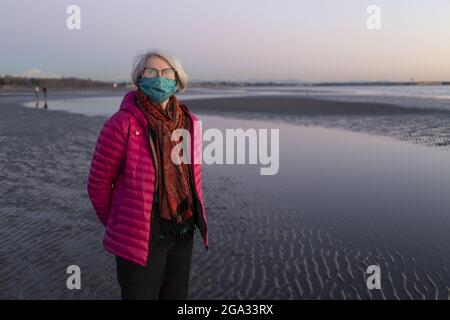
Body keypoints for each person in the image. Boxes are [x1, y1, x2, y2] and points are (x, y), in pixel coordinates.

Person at [87, 49, 208, 300]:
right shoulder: (121, 124)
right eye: (151, 72)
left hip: (182, 230)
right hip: (140, 236)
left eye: (166, 72)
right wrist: (121, 222)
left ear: (177, 79)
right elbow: (98, 185)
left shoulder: (190, 123)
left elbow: (193, 178)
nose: (159, 78)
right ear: (139, 79)